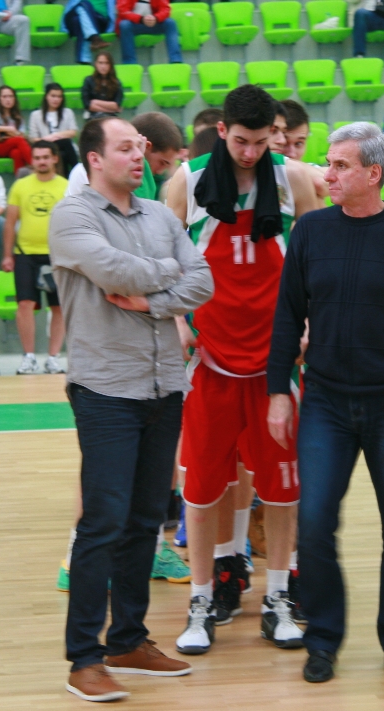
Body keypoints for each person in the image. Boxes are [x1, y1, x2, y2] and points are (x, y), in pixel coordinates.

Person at [267, 121, 384, 683]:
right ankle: (323, 640)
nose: (327, 174)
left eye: (340, 165)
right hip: (325, 403)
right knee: (315, 525)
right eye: (328, 163)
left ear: (373, 174)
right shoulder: (310, 231)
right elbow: (287, 315)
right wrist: (278, 391)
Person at [49, 116, 213, 701]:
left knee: (146, 520)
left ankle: (128, 639)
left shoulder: (161, 216)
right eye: (125, 148)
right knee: (103, 523)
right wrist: (169, 275)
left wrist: (150, 299)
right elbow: (113, 270)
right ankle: (84, 658)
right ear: (94, 158)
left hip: (164, 386)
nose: (138, 156)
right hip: (106, 390)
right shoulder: (72, 215)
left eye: (140, 148)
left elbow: (204, 281)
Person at [165, 84, 318, 655]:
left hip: (276, 363)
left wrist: (310, 323)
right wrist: (176, 322)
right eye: (240, 142)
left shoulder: (293, 177)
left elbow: (317, 259)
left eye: (260, 142)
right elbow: (165, 263)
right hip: (210, 356)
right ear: (222, 131)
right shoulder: (187, 181)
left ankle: (277, 596)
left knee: (281, 489)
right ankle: (201, 598)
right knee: (204, 489)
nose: (250, 153)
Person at [1, 141, 69, 375]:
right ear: (32, 160)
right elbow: (10, 222)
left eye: (45, 157)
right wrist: (7, 255)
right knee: (25, 304)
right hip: (25, 254)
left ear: (54, 159)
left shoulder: (66, 186)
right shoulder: (20, 186)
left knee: (59, 307)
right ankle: (28, 358)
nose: (41, 161)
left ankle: (53, 358)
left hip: (57, 256)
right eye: (37, 157)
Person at [29, 83, 79, 176]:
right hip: (45, 146)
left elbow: (73, 132)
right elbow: (33, 138)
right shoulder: (36, 115)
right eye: (53, 96)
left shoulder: (68, 112)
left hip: (63, 147)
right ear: (46, 97)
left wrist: (54, 136)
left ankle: (70, 177)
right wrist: (47, 139)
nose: (56, 99)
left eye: (59, 96)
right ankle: (77, 171)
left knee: (63, 151)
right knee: (66, 142)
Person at [131, 111, 183, 200]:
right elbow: (143, 203)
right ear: (146, 146)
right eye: (162, 163)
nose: (160, 172)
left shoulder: (156, 180)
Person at [0, 86, 32, 173]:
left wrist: (12, 133)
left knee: (17, 153)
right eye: (4, 96)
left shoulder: (18, 117)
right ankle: (36, 167)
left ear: (14, 99)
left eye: (11, 96)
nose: (8, 99)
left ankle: (20, 180)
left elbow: (22, 134)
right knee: (19, 140)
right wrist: (8, 129)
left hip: (12, 147)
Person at [117, 0, 182, 64]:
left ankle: (175, 60)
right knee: (124, 25)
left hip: (154, 23)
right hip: (134, 24)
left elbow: (165, 9)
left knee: (170, 23)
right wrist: (140, 19)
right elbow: (122, 10)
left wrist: (156, 18)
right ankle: (129, 62)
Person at [61, 0, 117, 65]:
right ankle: (95, 39)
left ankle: (84, 62)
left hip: (99, 20)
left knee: (79, 20)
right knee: (84, 4)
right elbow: (71, 6)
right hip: (74, 14)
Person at [82, 52, 123, 120]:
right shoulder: (88, 80)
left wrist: (95, 102)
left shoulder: (116, 82)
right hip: (93, 117)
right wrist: (110, 109)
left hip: (111, 118)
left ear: (111, 65)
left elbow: (116, 105)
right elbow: (87, 105)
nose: (103, 66)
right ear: (96, 64)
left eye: (107, 63)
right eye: (100, 63)